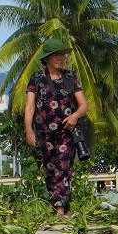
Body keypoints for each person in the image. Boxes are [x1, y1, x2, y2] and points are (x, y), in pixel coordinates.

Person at [23, 35, 89, 217]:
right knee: (50, 169)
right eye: (56, 55)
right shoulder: (36, 79)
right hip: (44, 134)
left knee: (64, 167)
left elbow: (84, 105)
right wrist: (28, 129)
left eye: (62, 55)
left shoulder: (70, 77)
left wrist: (74, 116)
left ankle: (60, 208)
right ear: (47, 58)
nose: (60, 59)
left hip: (67, 133)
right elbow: (29, 107)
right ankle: (61, 207)